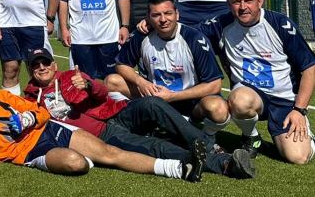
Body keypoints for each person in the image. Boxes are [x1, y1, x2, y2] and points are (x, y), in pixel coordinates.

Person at [0, 52, 205, 182]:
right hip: (26, 153)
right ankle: (88, 156)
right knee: (77, 164)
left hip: (52, 130)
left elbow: (37, 111)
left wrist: (30, 119)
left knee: (111, 153)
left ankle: (179, 169)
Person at [24, 48, 253, 178]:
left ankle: (204, 142)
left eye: (45, 63)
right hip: (101, 135)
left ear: (54, 65)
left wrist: (89, 85)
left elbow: (103, 94)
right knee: (154, 147)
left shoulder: (70, 77)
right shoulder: (29, 101)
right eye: (36, 65)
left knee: (152, 103)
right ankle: (225, 164)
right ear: (30, 70)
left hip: (117, 113)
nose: (42, 68)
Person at [200, 0, 314, 164]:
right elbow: (185, 34)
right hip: (250, 95)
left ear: (260, 1)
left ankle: (305, 135)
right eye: (236, 2)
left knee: (298, 157)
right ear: (229, 5)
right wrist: (149, 23)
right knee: (239, 99)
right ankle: (251, 137)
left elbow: (309, 67)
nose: (243, 7)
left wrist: (299, 110)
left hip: (284, 100)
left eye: (248, 1)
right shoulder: (219, 25)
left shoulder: (280, 24)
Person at [116, 0, 231, 145]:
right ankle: (136, 123)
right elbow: (121, 65)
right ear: (148, 18)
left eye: (168, 13)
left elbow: (215, 85)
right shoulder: (141, 35)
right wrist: (141, 82)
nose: (163, 19)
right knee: (112, 81)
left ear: (177, 14)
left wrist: (172, 96)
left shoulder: (194, 38)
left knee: (218, 108)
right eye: (156, 15)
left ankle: (204, 136)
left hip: (190, 102)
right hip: (154, 99)